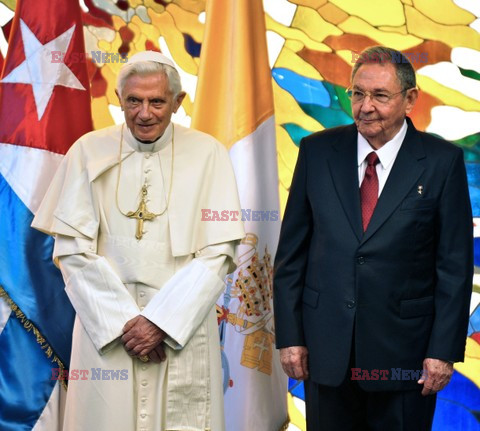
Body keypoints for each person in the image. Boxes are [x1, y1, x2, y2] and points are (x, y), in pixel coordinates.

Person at [32, 51, 244, 431]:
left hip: (181, 326)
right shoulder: (87, 151)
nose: (144, 113)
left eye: (157, 101)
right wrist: (124, 322)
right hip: (108, 329)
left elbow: (219, 252)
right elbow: (71, 250)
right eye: (134, 101)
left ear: (178, 103)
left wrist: (162, 321)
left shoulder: (209, 153)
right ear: (119, 100)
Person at [273, 46, 473, 431]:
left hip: (406, 359)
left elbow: (454, 267)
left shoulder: (441, 161)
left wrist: (442, 352)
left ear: (410, 99)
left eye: (380, 96)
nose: (366, 106)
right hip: (325, 353)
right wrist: (290, 336)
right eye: (357, 93)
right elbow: (291, 256)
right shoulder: (316, 152)